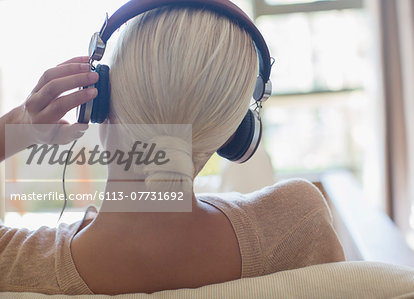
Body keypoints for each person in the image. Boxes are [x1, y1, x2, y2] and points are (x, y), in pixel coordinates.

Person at [0, 5, 345, 295]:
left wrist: (22, 124)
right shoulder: (297, 224)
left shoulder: (18, 263)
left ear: (99, 102)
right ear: (232, 133)